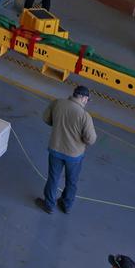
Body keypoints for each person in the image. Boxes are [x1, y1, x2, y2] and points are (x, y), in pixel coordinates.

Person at [38, 84, 98, 215]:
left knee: (53, 178)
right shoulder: (84, 116)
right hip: (74, 156)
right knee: (72, 181)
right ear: (83, 98)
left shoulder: (58, 103)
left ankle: (49, 205)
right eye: (87, 100)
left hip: (55, 149)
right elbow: (91, 139)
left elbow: (46, 119)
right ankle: (66, 205)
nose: (87, 103)